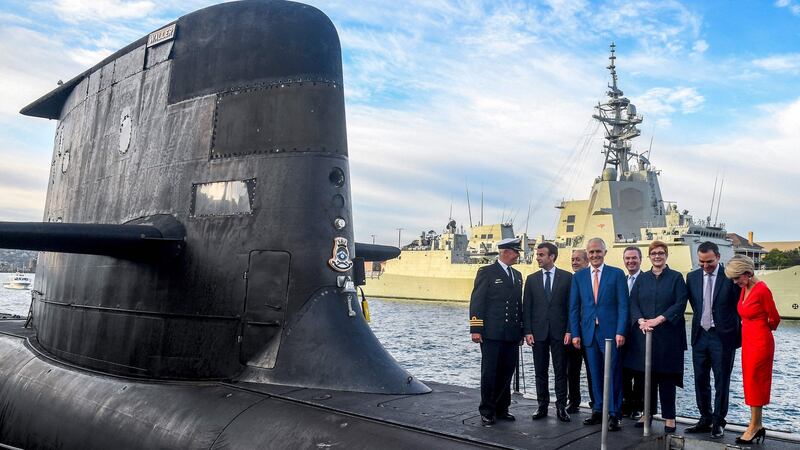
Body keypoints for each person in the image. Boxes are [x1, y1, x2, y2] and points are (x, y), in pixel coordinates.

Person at [624, 241, 688, 434]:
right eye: (653, 253)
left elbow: (680, 303)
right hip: (644, 336)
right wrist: (641, 321)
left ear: (666, 255)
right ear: (649, 256)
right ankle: (647, 413)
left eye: (661, 253)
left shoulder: (676, 278)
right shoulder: (642, 279)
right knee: (645, 378)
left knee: (666, 378)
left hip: (668, 337)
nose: (657, 256)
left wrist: (659, 319)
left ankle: (669, 416)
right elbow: (633, 302)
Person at [569, 237, 628, 431]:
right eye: (591, 252)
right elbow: (574, 308)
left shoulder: (616, 274)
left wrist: (621, 331)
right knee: (594, 374)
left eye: (598, 252)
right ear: (588, 254)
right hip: (588, 334)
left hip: (611, 333)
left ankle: (614, 413)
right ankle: (598, 410)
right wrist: (576, 334)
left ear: (605, 253)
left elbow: (623, 306)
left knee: (612, 373)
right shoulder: (579, 277)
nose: (595, 255)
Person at [685, 241, 741, 439]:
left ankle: (719, 421)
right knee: (700, 380)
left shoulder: (730, 278)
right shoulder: (691, 277)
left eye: (709, 262)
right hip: (700, 336)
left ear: (717, 257)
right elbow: (696, 304)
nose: (705, 266)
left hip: (723, 337)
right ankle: (705, 418)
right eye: (701, 262)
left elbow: (738, 306)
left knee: (721, 381)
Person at [724, 255, 780, 445]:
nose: (734, 282)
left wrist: (761, 329)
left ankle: (754, 426)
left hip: (760, 342)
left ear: (747, 273)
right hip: (748, 341)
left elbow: (775, 319)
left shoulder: (762, 290)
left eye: (736, 277)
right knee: (750, 381)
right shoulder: (745, 288)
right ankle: (756, 424)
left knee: (756, 381)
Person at [470, 237, 524, 425]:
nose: (518, 256)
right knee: (490, 373)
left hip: (511, 334)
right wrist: (476, 328)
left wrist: (521, 331)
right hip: (491, 333)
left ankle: (502, 408)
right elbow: (478, 300)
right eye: (516, 252)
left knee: (506, 372)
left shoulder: (517, 275)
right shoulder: (487, 272)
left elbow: (518, 305)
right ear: (506, 252)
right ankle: (487, 409)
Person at [523, 243, 572, 422]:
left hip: (560, 333)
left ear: (552, 257)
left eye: (541, 255)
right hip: (538, 333)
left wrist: (569, 330)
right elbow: (526, 307)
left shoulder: (567, 278)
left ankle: (561, 407)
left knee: (561, 372)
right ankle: (542, 406)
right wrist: (527, 331)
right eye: (538, 254)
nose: (538, 258)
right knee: (540, 371)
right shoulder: (532, 279)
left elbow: (571, 307)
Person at [565, 249, 594, 413]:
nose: (575, 262)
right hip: (573, 333)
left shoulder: (593, 280)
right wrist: (569, 331)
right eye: (573, 259)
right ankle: (573, 401)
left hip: (590, 333)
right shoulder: (570, 280)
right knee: (572, 370)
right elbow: (569, 309)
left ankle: (595, 401)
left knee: (593, 370)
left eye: (578, 260)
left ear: (587, 262)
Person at [621, 246, 644, 420]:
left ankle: (637, 406)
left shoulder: (646, 280)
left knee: (641, 373)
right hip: (623, 332)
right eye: (627, 258)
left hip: (641, 333)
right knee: (623, 372)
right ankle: (626, 404)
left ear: (640, 259)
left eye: (634, 258)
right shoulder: (621, 280)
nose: (631, 261)